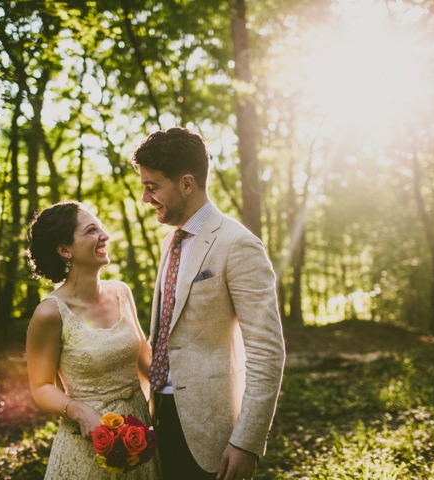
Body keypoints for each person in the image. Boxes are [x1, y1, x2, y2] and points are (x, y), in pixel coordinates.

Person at [130, 127, 286, 480]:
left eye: (152, 187)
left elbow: (266, 352)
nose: (145, 197)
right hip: (160, 418)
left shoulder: (238, 244)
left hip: (211, 433)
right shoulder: (170, 242)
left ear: (187, 184)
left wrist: (247, 441)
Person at [25, 200, 161, 479]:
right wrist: (77, 410)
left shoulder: (122, 292)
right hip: (87, 445)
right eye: (90, 230)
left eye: (100, 227)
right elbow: (40, 386)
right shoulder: (50, 313)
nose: (104, 235)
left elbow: (145, 359)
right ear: (65, 250)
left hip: (139, 438)